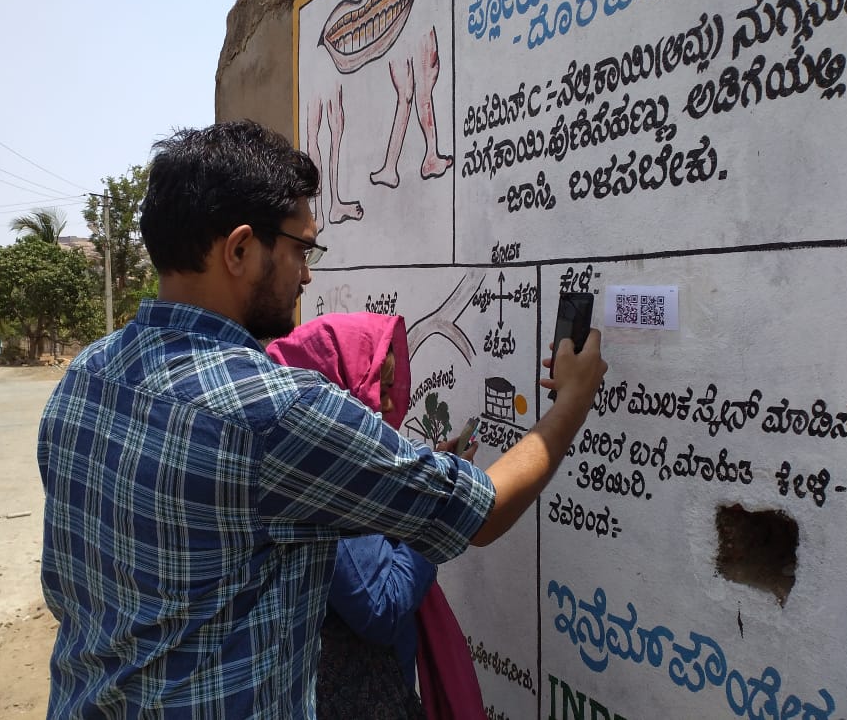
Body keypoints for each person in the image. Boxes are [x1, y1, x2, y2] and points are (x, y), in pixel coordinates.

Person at [37, 120, 607, 718]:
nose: (307, 275)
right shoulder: (274, 411)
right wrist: (571, 402)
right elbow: (482, 510)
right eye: (300, 250)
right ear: (239, 250)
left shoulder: (87, 375)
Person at [267, 312, 487, 719]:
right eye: (374, 387)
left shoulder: (303, 450)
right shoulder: (331, 477)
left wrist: (426, 478)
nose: (387, 403)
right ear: (336, 387)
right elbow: (382, 605)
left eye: (389, 387)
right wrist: (431, 518)